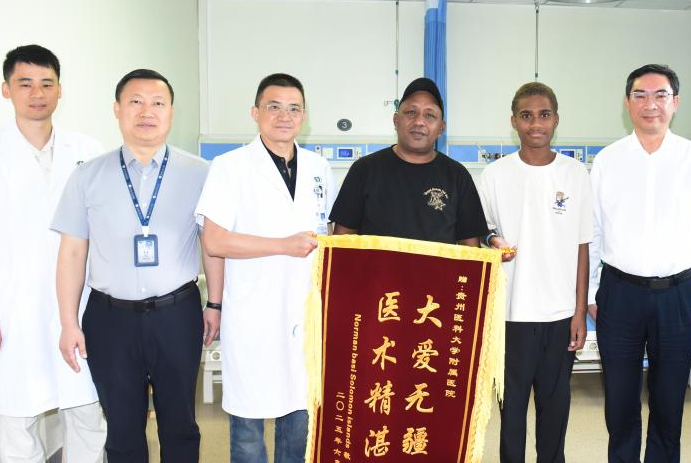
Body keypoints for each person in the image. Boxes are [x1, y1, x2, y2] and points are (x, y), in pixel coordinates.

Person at [52, 69, 224, 462]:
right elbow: (72, 253)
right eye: (135, 102)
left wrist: (214, 303)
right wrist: (68, 323)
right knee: (122, 427)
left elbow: (212, 245)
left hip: (176, 313)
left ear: (171, 112)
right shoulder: (87, 175)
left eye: (158, 103)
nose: (147, 111)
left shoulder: (202, 174)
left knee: (180, 424)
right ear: (117, 109)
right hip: (109, 319)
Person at [0, 45, 106, 462]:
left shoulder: (88, 151)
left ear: (60, 91)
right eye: (25, 83)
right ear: (6, 90)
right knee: (17, 417)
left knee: (87, 410)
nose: (36, 93)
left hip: (79, 305)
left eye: (46, 83)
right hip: (11, 307)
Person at [588, 64, 691, 463]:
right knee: (620, 399)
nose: (651, 104)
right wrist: (595, 289)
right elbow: (594, 229)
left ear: (675, 102)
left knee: (669, 402)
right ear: (628, 103)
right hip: (619, 293)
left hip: (677, 295)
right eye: (641, 95)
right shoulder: (608, 160)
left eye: (660, 95)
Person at [195, 73, 332, 463]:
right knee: (248, 425)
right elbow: (215, 241)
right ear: (255, 113)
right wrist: (283, 246)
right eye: (274, 107)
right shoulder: (229, 166)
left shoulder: (320, 169)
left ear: (304, 116)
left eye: (293, 108)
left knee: (299, 415)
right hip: (253, 310)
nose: (284, 116)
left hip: (305, 312)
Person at [477, 82, 592, 463]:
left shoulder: (576, 175)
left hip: (560, 315)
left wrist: (579, 312)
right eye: (526, 115)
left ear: (556, 120)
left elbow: (582, 248)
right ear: (514, 121)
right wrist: (492, 239)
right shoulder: (493, 176)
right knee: (511, 414)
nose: (535, 123)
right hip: (511, 315)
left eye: (544, 115)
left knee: (555, 410)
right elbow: (482, 233)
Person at [330, 77, 486, 245]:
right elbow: (341, 241)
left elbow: (470, 250)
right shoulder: (364, 170)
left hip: (437, 273)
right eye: (411, 112)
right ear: (396, 121)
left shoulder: (458, 177)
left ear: (441, 127)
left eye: (430, 115)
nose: (419, 122)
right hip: (376, 272)